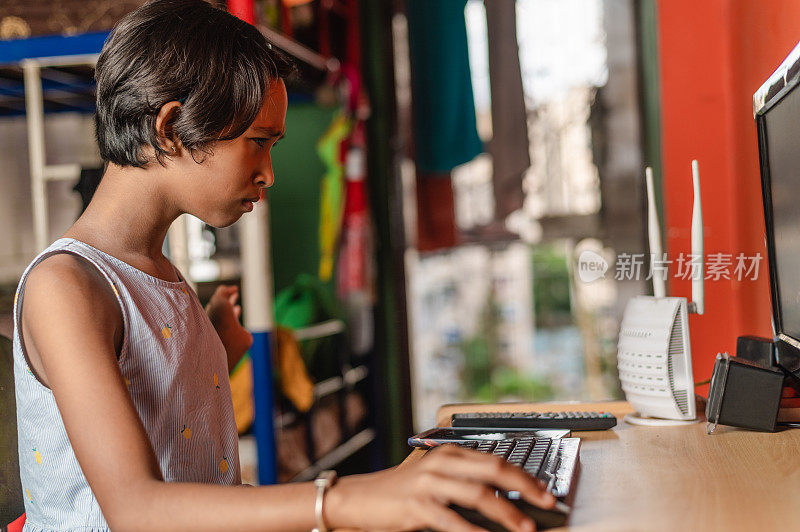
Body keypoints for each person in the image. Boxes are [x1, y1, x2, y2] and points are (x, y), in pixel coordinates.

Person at [12, 1, 555, 530]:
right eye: (258, 143)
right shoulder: (65, 287)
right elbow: (137, 512)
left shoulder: (157, 274)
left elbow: (164, 425)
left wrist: (212, 349)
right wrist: (343, 502)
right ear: (171, 128)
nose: (268, 174)